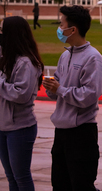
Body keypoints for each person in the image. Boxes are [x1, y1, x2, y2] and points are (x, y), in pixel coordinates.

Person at [42, 5, 102, 191]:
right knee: (60, 185)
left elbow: (90, 96)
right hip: (61, 131)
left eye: (62, 25)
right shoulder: (65, 55)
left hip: (81, 133)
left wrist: (60, 89)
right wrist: (51, 88)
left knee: (81, 185)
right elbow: (59, 88)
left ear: (73, 29)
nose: (59, 29)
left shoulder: (93, 58)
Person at [0, 16, 44, 190]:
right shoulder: (7, 58)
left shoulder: (26, 62)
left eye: (3, 31)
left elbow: (21, 95)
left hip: (20, 128)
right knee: (11, 177)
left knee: (21, 177)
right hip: (3, 127)